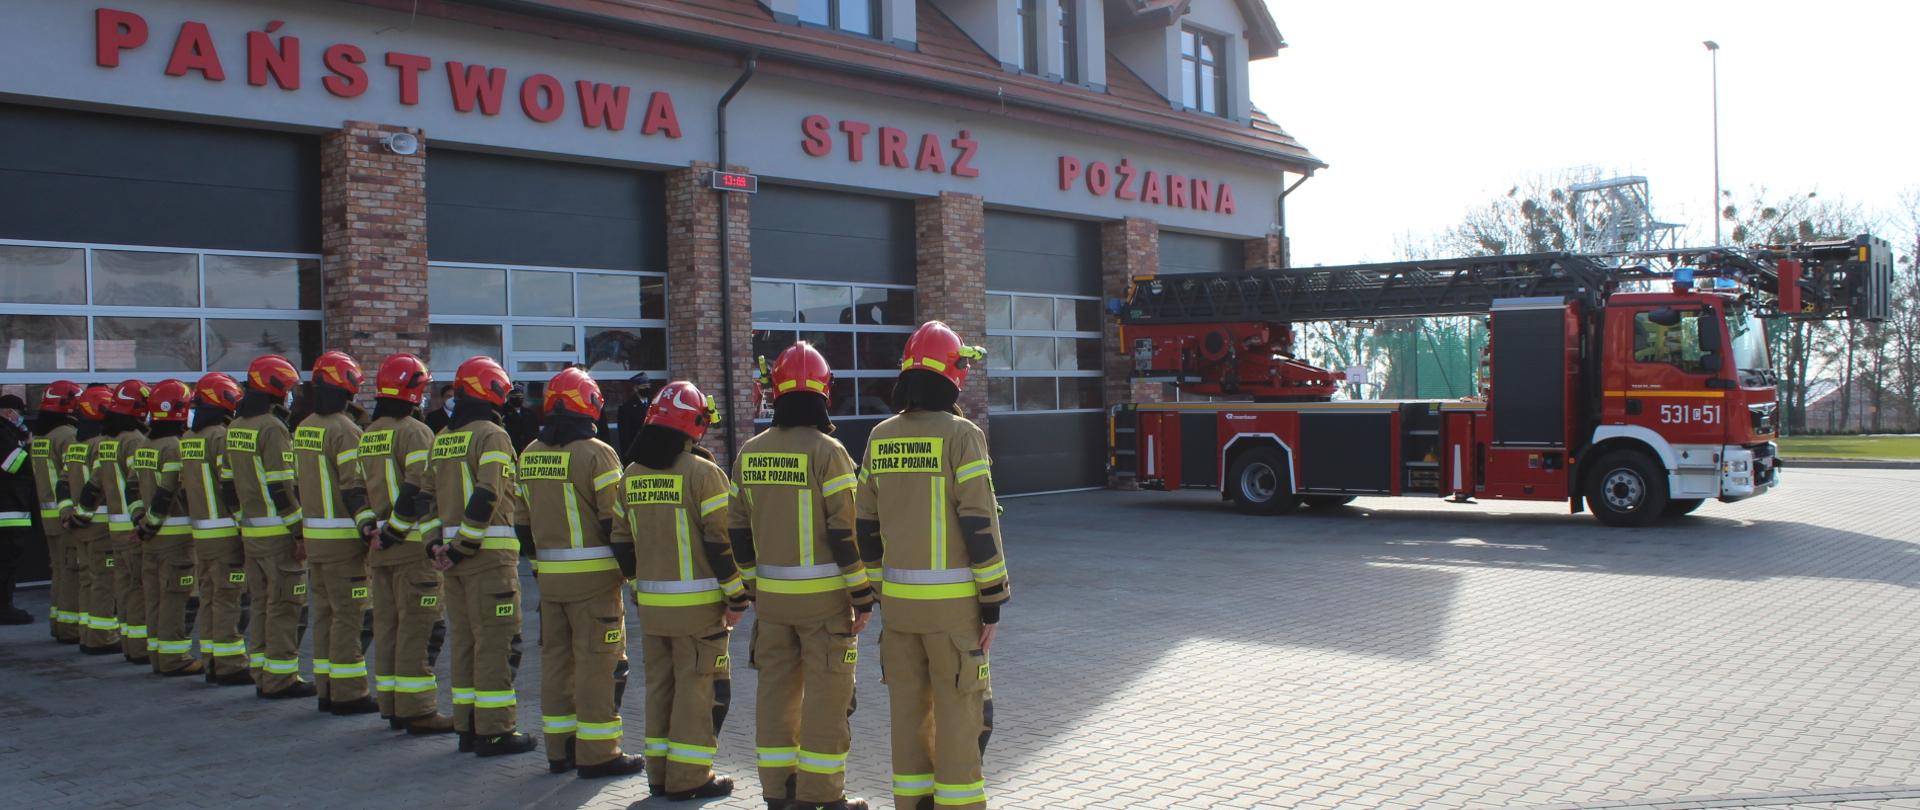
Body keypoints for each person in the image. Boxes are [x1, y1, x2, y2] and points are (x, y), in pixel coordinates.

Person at [856, 322, 1009, 810]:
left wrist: (881, 590)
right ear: (953, 373)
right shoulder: (962, 435)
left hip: (899, 610)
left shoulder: (880, 436)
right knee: (962, 715)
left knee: (908, 714)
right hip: (952, 613)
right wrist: (993, 603)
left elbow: (864, 526)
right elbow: (979, 525)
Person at [731, 342, 875, 810]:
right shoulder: (828, 452)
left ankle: (777, 792)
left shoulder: (749, 452)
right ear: (823, 392)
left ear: (776, 393)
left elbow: (735, 531)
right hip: (825, 604)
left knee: (774, 695)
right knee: (826, 700)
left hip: (771, 604)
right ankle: (822, 796)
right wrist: (862, 595)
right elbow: (843, 533)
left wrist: (752, 586)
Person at [614, 380, 747, 800]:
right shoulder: (704, 474)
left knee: (660, 689)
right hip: (699, 610)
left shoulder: (630, 475)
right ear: (693, 424)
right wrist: (736, 596)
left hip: (653, 609)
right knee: (699, 691)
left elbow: (620, 541)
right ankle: (689, 779)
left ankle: (659, 774)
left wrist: (637, 585)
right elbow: (719, 542)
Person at [396, 356, 535, 756]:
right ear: (490, 389)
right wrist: (461, 547)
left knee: (466, 642)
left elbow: (424, 499)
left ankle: (467, 726)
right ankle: (494, 731)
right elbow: (488, 494)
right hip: (487, 559)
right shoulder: (493, 435)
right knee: (496, 643)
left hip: (453, 561)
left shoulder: (443, 437)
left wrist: (434, 546)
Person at [513, 368, 642, 778]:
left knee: (556, 663)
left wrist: (539, 568)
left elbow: (522, 525)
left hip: (550, 583)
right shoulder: (597, 453)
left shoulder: (530, 452)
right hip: (596, 584)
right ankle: (599, 752)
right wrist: (633, 574)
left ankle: (560, 750)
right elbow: (615, 523)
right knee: (599, 665)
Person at [366, 354, 456, 734]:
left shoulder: (369, 432)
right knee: (420, 627)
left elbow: (356, 488)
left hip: (381, 550)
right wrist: (397, 531)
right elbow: (417, 487)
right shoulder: (415, 432)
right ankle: (417, 709)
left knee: (388, 626)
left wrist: (376, 531)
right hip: (408, 547)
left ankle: (391, 704)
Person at [293, 351, 381, 715]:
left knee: (326, 614)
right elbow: (352, 486)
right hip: (344, 541)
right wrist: (368, 527)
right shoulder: (344, 430)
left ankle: (326, 687)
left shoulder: (305, 427)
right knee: (353, 616)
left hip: (315, 539)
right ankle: (348, 692)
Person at [227, 355, 314, 700]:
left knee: (262, 602)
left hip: (252, 533)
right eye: (290, 389)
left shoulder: (236, 427)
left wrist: (241, 523)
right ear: (277, 390)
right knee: (284, 606)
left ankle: (262, 671)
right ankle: (281, 678)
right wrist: (299, 532)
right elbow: (282, 487)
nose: (291, 396)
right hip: (278, 533)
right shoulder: (273, 428)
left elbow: (227, 485)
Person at [124, 380, 200, 676]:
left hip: (150, 540)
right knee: (174, 600)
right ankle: (173, 658)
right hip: (173, 539)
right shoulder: (174, 447)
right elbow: (167, 493)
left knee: (154, 597)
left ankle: (157, 654)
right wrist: (151, 524)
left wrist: (139, 521)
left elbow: (130, 488)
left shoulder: (145, 444)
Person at [181, 373, 253, 685]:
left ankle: (211, 659)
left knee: (210, 597)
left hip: (202, 533)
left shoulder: (189, 439)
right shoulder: (220, 437)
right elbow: (230, 485)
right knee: (228, 599)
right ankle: (230, 664)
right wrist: (243, 524)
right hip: (225, 533)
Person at [77, 380, 152, 664]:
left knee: (125, 587)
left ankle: (131, 646)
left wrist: (79, 515)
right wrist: (144, 521)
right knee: (140, 590)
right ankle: (141, 647)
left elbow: (93, 486)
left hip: (115, 528)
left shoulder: (107, 443)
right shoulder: (133, 440)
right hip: (134, 528)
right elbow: (139, 484)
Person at [61, 385, 121, 654]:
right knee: (103, 582)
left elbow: (62, 484)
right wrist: (83, 515)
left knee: (87, 579)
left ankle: (87, 634)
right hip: (98, 526)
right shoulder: (100, 444)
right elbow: (98, 486)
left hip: (80, 526)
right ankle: (102, 637)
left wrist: (69, 515)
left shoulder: (75, 444)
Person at [29, 382, 86, 639]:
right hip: (66, 516)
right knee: (72, 571)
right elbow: (73, 475)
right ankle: (71, 627)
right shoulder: (66, 435)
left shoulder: (41, 436)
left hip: (48, 516)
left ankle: (59, 622)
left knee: (60, 570)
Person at [0, 393, 35, 625]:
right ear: (8, 412)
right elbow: (12, 464)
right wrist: (30, 447)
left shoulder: (9, 432)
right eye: (19, 412)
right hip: (7, 510)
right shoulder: (2, 432)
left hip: (12, 508)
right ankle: (4, 609)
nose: (20, 417)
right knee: (6, 562)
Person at [614, 372, 653, 465]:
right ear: (636, 388)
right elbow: (625, 438)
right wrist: (628, 460)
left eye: (648, 385)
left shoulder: (655, 404)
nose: (647, 388)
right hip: (637, 457)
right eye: (643, 386)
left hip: (654, 454)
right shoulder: (626, 408)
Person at [503, 383, 541, 453]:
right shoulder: (502, 412)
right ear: (508, 396)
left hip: (527, 451)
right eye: (514, 395)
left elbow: (535, 434)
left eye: (520, 395)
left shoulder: (530, 414)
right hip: (509, 451)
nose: (517, 398)